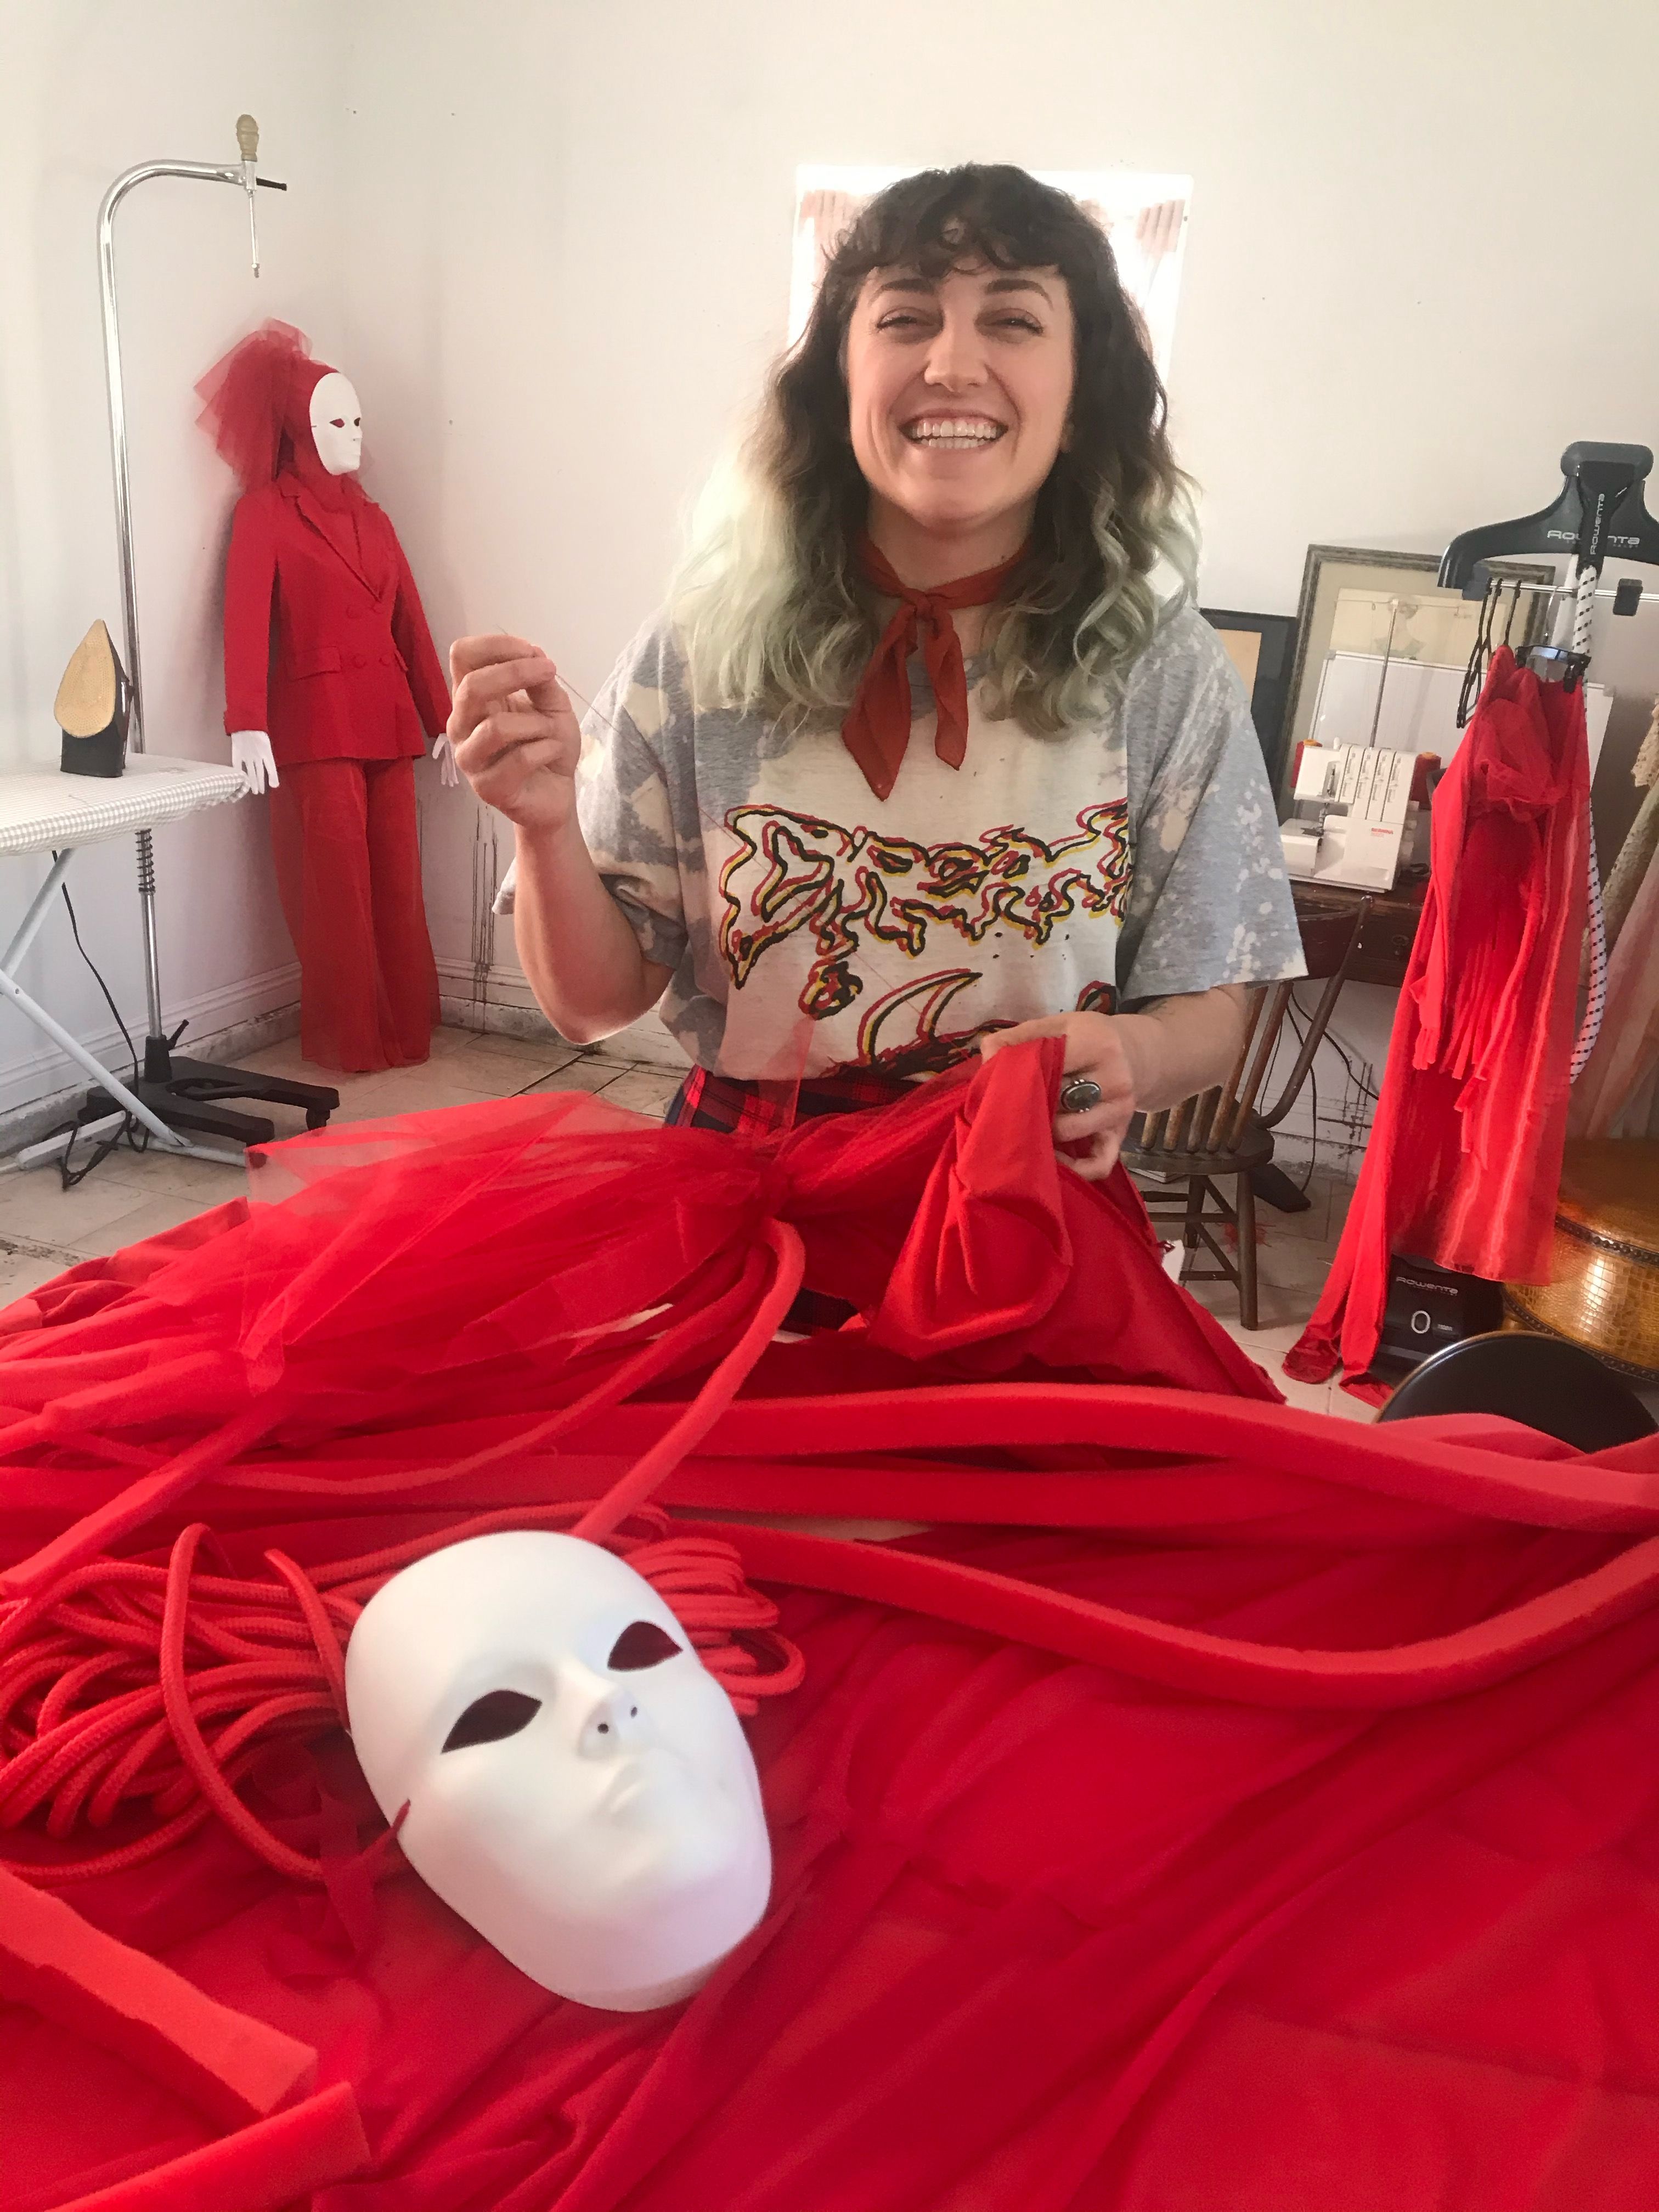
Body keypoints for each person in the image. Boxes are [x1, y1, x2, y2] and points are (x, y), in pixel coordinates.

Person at [449, 164, 1303, 1176]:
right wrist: (545, 824)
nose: (953, 363)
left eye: (1014, 321)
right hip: (745, 1201)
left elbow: (1209, 1014)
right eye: (906, 318)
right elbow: (592, 1007)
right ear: (840, 381)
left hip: (1014, 1204)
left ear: (1080, 397)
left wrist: (1109, 1072)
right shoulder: (697, 652)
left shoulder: (1165, 670)